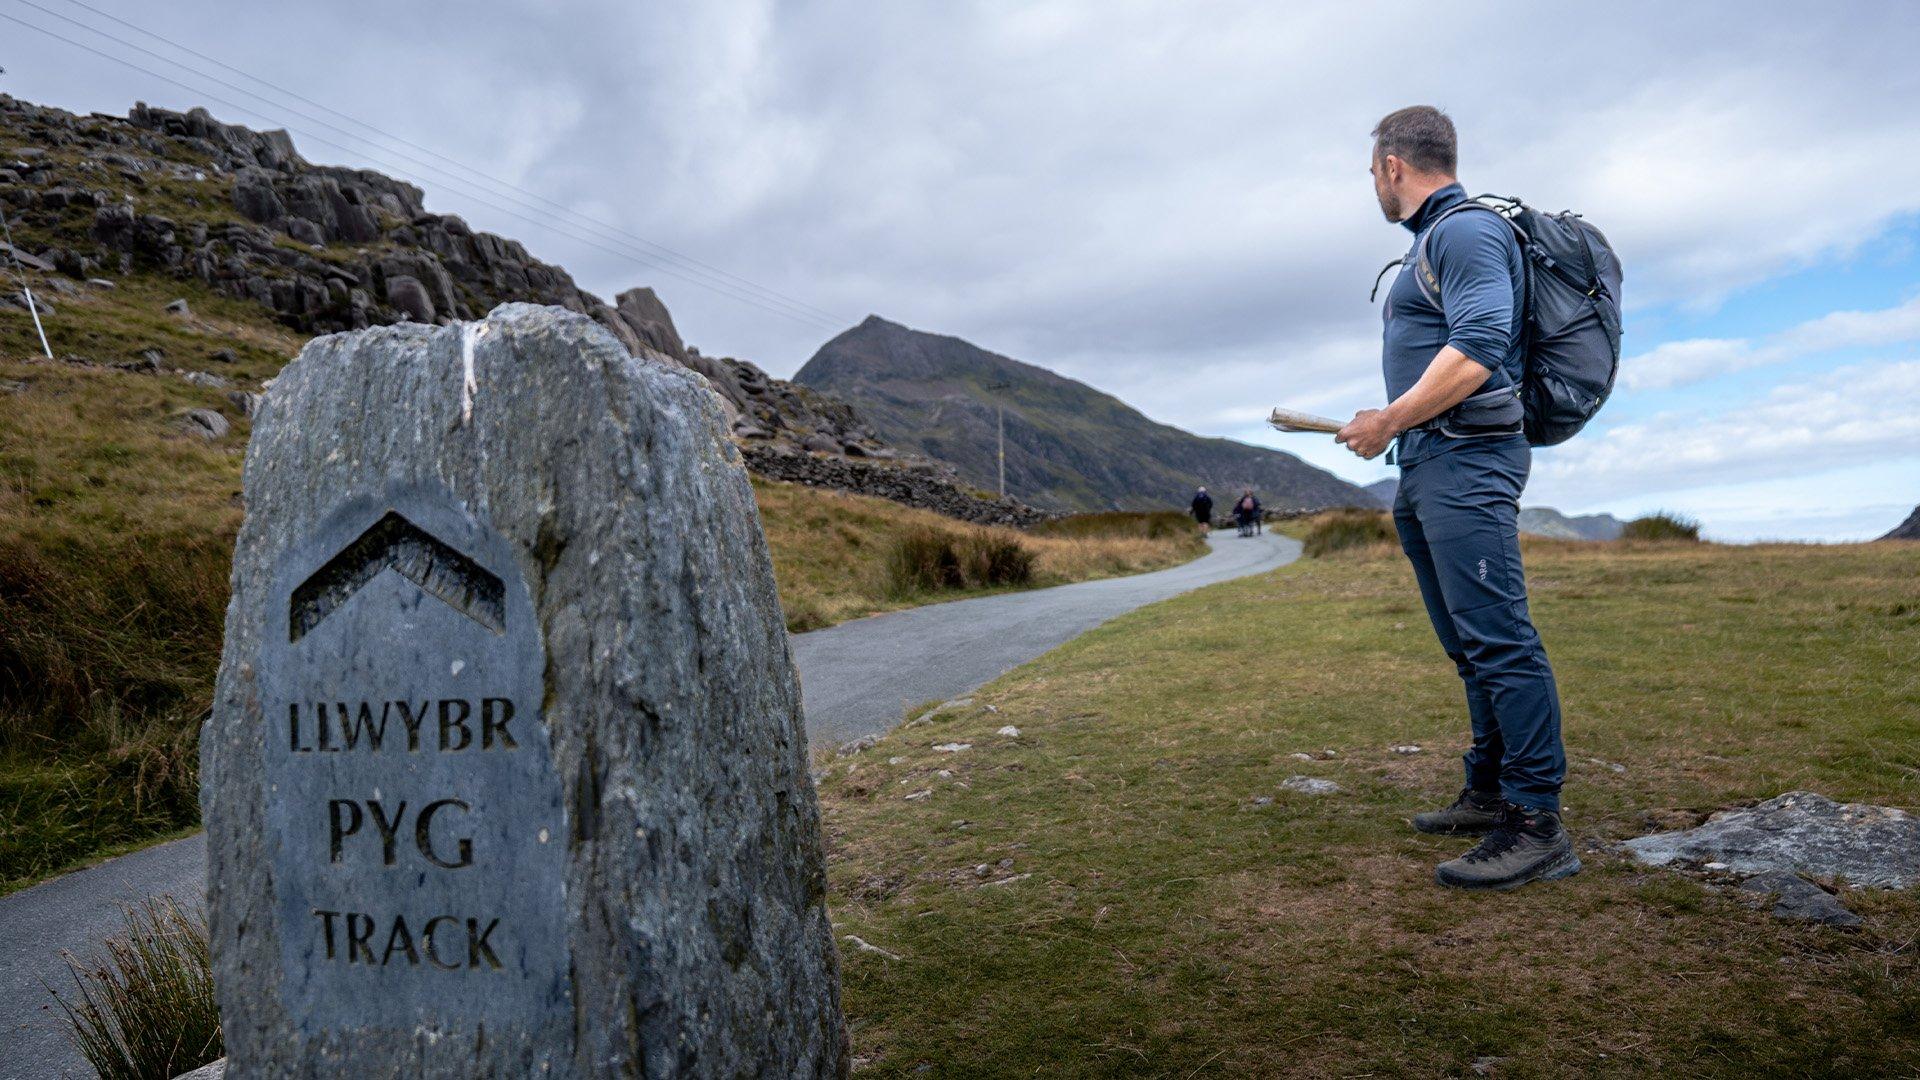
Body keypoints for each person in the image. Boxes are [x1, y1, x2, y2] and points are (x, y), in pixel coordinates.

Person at [1333, 105, 1577, 891]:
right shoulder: (1435, 241)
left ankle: (1536, 822)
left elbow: (1477, 346)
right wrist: (1401, 434)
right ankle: (1488, 789)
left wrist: (1389, 420)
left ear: (1393, 167)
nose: (1373, 184)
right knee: (1469, 643)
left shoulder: (1465, 232)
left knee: (1500, 638)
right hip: (1432, 462)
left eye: (1373, 171)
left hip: (1467, 459)